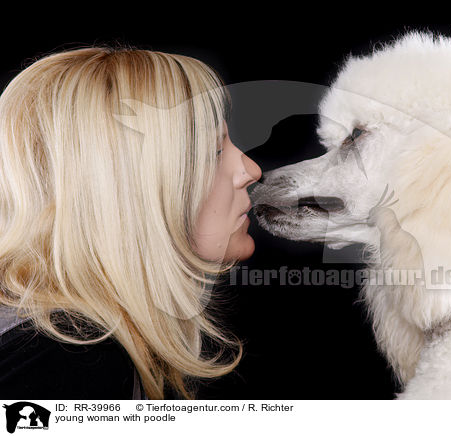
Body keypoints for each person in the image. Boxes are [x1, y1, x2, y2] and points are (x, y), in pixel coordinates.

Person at [0, 47, 262, 400]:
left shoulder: (68, 345)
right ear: (125, 189)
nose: (252, 171)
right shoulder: (67, 363)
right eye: (214, 152)